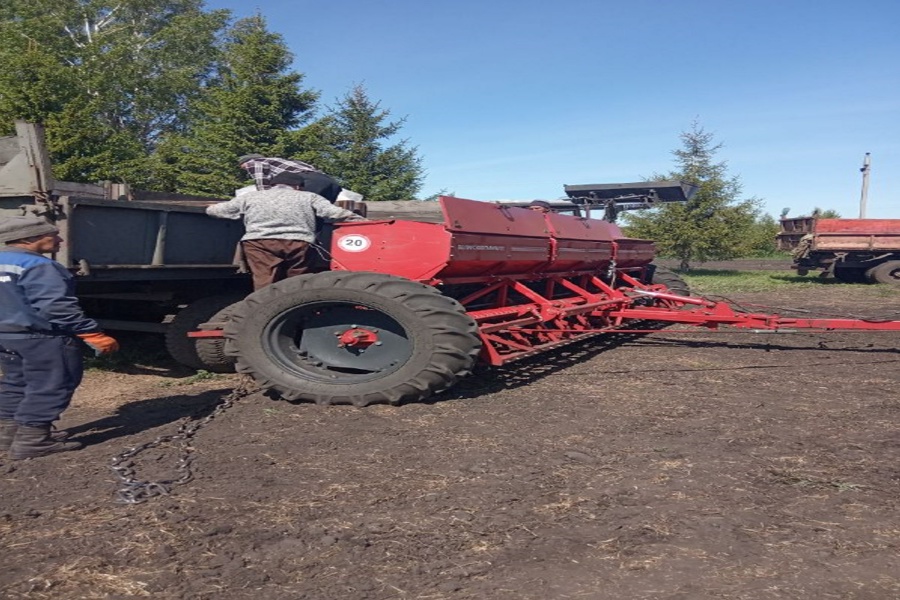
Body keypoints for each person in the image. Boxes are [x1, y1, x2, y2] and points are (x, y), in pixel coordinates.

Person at [0, 216, 119, 460]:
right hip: (43, 337)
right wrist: (91, 333)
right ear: (28, 238)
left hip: (7, 337)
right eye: (52, 235)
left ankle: (9, 435)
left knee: (16, 383)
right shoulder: (38, 265)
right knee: (51, 384)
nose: (60, 239)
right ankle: (33, 441)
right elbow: (55, 306)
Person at [206, 171, 366, 290]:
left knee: (264, 280)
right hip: (298, 242)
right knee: (297, 282)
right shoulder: (309, 197)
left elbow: (218, 211)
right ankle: (293, 311)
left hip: (259, 243)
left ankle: (263, 311)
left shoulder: (251, 197)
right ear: (298, 186)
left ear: (272, 185)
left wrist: (211, 208)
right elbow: (334, 213)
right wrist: (361, 220)